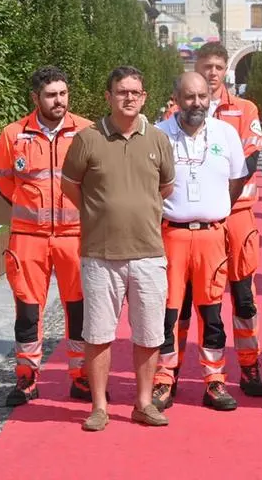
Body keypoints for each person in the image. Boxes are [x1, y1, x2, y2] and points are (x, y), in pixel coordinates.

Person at [61, 66, 175, 431]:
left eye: (135, 92)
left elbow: (165, 188)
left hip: (148, 253)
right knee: (97, 334)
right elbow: (70, 186)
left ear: (144, 97)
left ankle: (143, 403)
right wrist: (100, 212)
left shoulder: (158, 139)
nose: (129, 98)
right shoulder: (87, 139)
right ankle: (99, 407)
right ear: (108, 96)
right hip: (100, 254)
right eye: (121, 92)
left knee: (149, 334)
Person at [0, 66, 93, 406]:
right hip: (28, 237)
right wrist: (29, 206)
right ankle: (26, 377)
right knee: (28, 310)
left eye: (63, 94)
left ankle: (80, 376)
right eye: (51, 95)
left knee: (78, 310)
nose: (59, 100)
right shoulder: (12, 135)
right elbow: (4, 180)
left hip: (74, 237)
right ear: (36, 98)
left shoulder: (86, 132)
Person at [171, 42, 262, 398]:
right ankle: (173, 371)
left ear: (226, 69)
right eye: (206, 66)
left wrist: (222, 204)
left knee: (243, 297)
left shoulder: (244, 108)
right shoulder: (176, 108)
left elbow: (249, 160)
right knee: (184, 299)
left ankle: (249, 364)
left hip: (237, 215)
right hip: (194, 223)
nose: (212, 72)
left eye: (217, 66)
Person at [151, 72, 248, 412]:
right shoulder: (158, 135)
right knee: (168, 312)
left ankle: (215, 380)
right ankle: (164, 380)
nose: (197, 104)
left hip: (211, 236)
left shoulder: (226, 133)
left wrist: (213, 210)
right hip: (171, 235)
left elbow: (237, 180)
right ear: (175, 98)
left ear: (212, 97)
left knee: (212, 313)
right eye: (189, 97)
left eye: (203, 97)